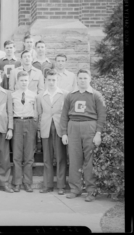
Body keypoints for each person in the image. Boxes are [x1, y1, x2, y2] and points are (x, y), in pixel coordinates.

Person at [60, 69, 106, 202]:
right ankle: (75, 189)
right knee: (74, 159)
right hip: (73, 126)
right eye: (80, 78)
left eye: (85, 78)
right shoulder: (70, 95)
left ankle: (91, 191)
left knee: (89, 160)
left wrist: (98, 133)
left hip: (89, 126)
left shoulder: (96, 95)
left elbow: (101, 116)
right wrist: (64, 133)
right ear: (77, 79)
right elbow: (64, 116)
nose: (82, 80)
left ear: (90, 79)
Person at [37, 69, 68, 195]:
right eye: (49, 80)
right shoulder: (40, 96)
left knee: (60, 157)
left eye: (53, 80)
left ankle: (61, 185)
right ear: (45, 80)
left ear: (57, 80)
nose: (51, 82)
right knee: (47, 158)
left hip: (59, 127)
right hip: (46, 127)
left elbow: (66, 114)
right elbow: (39, 114)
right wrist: (39, 130)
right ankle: (47, 184)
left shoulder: (65, 94)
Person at [11, 71, 38, 192]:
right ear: (17, 82)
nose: (24, 82)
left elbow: (36, 112)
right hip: (17, 122)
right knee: (17, 155)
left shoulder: (34, 95)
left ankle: (27, 182)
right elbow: (10, 112)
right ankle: (16, 182)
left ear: (29, 81)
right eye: (21, 80)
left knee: (28, 155)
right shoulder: (13, 95)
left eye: (26, 80)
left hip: (30, 123)